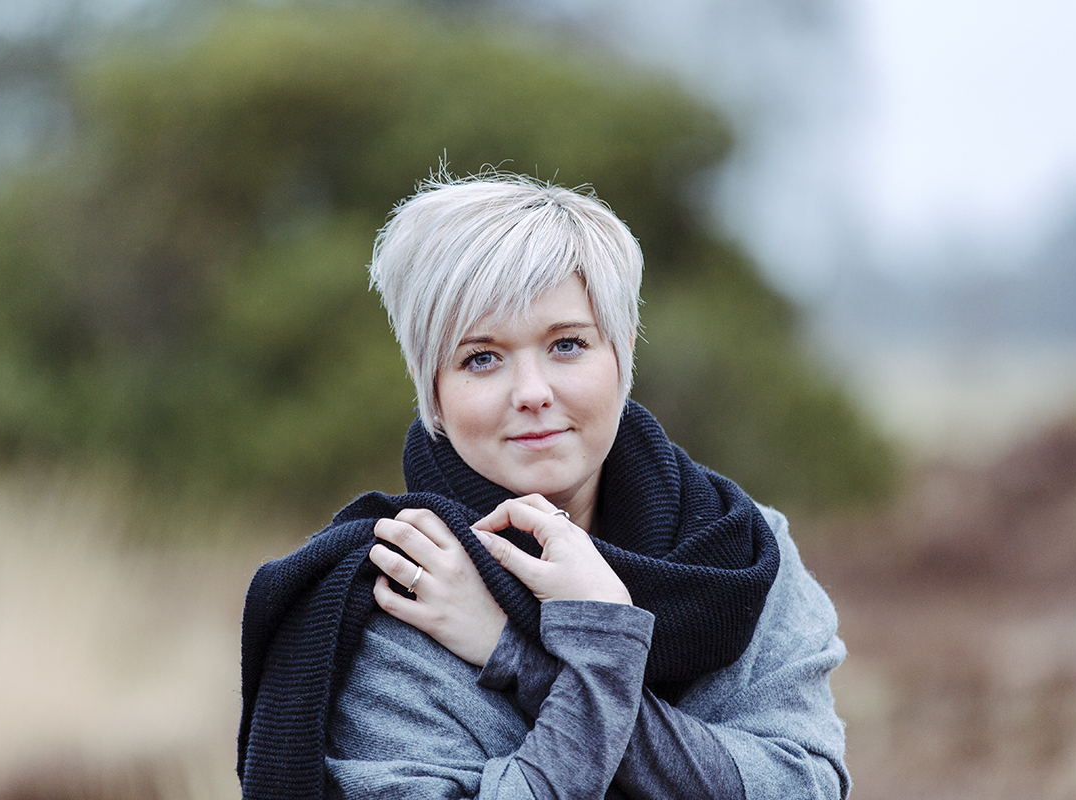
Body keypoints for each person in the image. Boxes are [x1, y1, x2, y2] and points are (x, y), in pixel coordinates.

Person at [238, 172, 849, 799]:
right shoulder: (398, 595)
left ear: (622, 354)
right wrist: (598, 662)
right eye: (481, 357)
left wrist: (526, 657)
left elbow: (808, 785)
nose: (532, 392)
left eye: (567, 345)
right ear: (433, 389)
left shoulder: (742, 551)